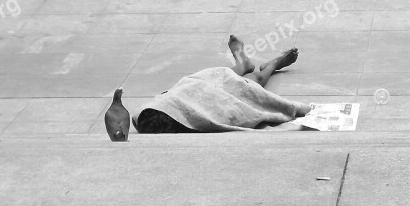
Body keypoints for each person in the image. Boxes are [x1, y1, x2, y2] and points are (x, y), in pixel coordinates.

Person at [131, 35, 312, 133]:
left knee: (218, 76)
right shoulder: (185, 122)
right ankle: (271, 65)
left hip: (188, 90)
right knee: (247, 88)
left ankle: (242, 63)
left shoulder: (155, 110)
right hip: (202, 100)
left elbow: (169, 98)